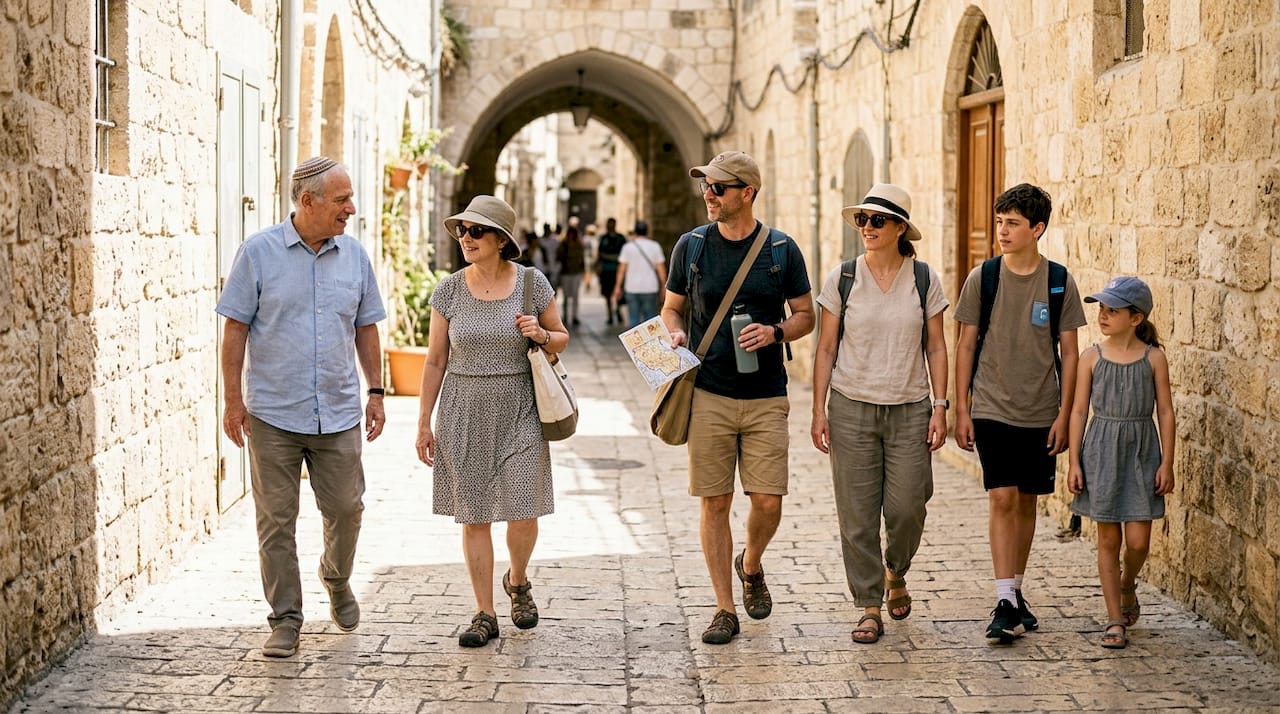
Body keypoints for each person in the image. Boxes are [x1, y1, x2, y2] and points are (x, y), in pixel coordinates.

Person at [216, 156, 386, 658]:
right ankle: (286, 618)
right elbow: (235, 328)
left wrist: (375, 391)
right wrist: (232, 400)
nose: (351, 209)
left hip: (337, 411)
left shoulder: (354, 257)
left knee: (346, 509)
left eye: (351, 198)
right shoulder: (258, 253)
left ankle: (336, 577)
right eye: (341, 200)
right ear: (307, 201)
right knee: (276, 521)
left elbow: (366, 326)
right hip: (273, 412)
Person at [661, 150, 815, 644]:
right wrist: (675, 334)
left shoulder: (782, 250)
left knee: (768, 501)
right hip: (709, 391)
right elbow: (671, 309)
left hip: (767, 393)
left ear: (747, 193)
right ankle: (724, 608)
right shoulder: (692, 247)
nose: (709, 195)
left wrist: (775, 333)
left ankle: (750, 563)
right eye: (706, 186)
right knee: (714, 503)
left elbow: (806, 315)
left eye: (719, 188)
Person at [414, 195, 568, 648]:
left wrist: (541, 334)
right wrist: (424, 422)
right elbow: (435, 360)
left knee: (523, 507)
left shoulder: (531, 284)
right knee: (474, 514)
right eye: (461, 231)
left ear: (501, 239)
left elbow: (561, 337)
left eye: (476, 231)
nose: (465, 238)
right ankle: (484, 612)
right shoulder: (449, 290)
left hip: (520, 403)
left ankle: (517, 579)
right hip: (463, 408)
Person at [810, 184, 949, 644]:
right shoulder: (843, 278)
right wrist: (818, 410)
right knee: (857, 514)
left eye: (877, 221)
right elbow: (826, 347)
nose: (867, 228)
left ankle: (896, 569)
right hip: (851, 406)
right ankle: (869, 605)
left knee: (909, 505)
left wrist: (941, 405)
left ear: (900, 229)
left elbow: (936, 345)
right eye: (862, 220)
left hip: (910, 407)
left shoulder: (924, 278)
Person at [953, 183, 1087, 644]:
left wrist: (1066, 416)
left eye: (1012, 223)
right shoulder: (983, 278)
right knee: (1002, 497)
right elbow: (965, 344)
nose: (1002, 231)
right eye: (999, 222)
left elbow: (1070, 354)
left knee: (1028, 501)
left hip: (1040, 409)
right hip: (991, 405)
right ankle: (1005, 599)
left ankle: (1014, 590)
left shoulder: (1059, 281)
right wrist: (961, 409)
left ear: (1037, 229)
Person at [1068, 276, 1175, 649]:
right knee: (1108, 538)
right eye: (1102, 309)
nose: (1103, 315)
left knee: (1139, 540)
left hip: (1142, 452)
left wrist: (1167, 463)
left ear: (1136, 318)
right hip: (1101, 451)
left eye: (1113, 310)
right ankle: (1114, 618)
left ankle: (1128, 582)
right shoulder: (1091, 357)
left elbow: (1166, 412)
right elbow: (1079, 411)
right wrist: (1074, 462)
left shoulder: (1154, 358)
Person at [613, 220, 667, 328]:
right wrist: (664, 286)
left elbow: (621, 270)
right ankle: (652, 344)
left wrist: (618, 287)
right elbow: (661, 269)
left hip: (632, 288)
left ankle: (634, 344)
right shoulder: (655, 246)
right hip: (650, 288)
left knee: (634, 320)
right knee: (651, 321)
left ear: (635, 232)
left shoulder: (627, 247)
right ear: (647, 232)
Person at [597, 218, 627, 324]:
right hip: (606, 270)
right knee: (607, 293)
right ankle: (610, 314)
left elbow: (624, 254)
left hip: (617, 270)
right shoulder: (603, 238)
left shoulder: (620, 238)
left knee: (618, 292)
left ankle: (618, 311)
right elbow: (600, 253)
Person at [556, 224, 587, 326]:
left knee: (575, 295)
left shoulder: (579, 245)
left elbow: (582, 259)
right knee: (565, 296)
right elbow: (558, 257)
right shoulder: (563, 244)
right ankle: (565, 315)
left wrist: (583, 271)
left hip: (575, 272)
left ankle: (574, 316)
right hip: (566, 272)